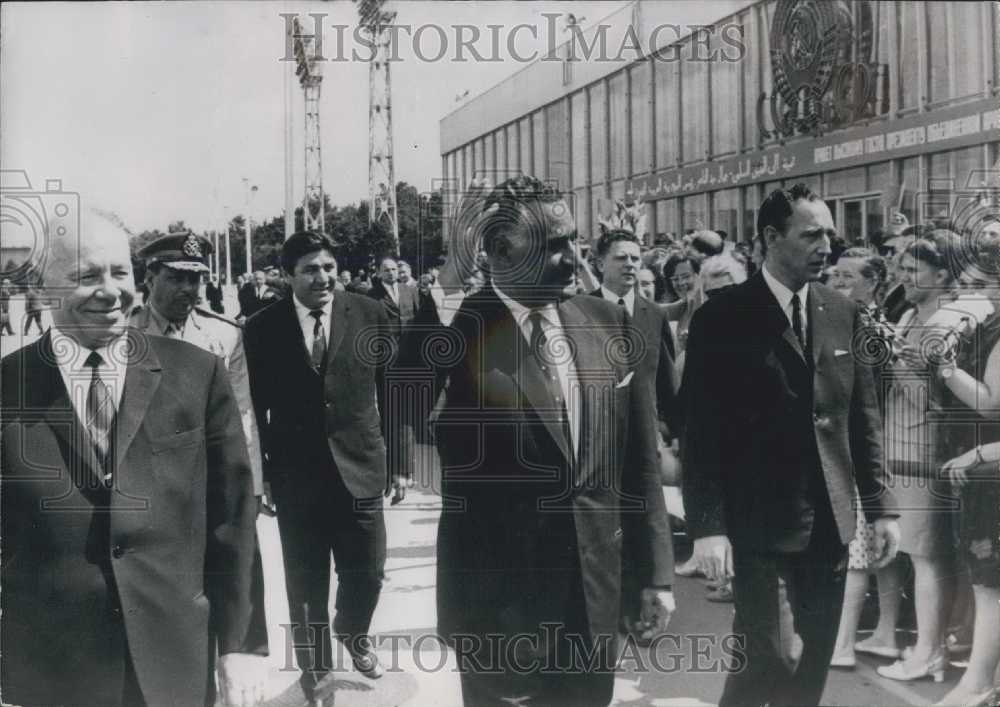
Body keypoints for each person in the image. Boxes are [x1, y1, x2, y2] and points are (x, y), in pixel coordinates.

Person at [395, 176, 675, 707]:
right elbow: (399, 407)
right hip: (497, 608)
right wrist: (451, 280)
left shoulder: (607, 322)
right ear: (501, 251)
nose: (574, 258)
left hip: (592, 603)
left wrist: (656, 574)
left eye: (573, 240)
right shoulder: (461, 325)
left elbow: (639, 461)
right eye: (554, 247)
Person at [0, 208, 266, 707]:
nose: (110, 291)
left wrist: (241, 644)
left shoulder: (197, 374)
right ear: (41, 287)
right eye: (85, 275)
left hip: (174, 660)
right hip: (54, 668)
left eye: (119, 272)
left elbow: (233, 518)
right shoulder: (6, 388)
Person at [682, 184, 899, 707]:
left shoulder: (841, 310)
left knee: (811, 667)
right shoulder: (723, 317)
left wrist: (882, 507)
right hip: (758, 526)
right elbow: (701, 433)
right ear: (771, 238)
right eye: (811, 234)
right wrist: (708, 528)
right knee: (774, 654)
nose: (826, 244)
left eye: (828, 232)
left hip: (830, 522)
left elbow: (861, 419)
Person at [244, 231, 398, 704]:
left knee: (368, 571)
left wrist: (402, 462)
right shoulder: (261, 327)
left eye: (329, 267)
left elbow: (396, 392)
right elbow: (258, 407)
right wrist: (264, 472)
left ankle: (353, 629)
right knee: (305, 580)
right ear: (288, 275)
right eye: (311, 269)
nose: (323, 277)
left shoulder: (371, 314)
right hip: (297, 477)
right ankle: (317, 674)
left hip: (362, 466)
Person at [876, 232, 966, 685]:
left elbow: (934, 401)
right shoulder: (913, 314)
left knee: (927, 556)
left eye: (912, 271)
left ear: (942, 274)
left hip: (922, 450)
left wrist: (895, 360)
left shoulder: (946, 322)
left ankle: (929, 652)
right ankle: (924, 644)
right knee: (915, 554)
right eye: (901, 268)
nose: (902, 277)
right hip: (897, 446)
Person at [130, 232, 264, 499]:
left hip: (208, 477)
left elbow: (241, 413)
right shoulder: (125, 334)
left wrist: (252, 483)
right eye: (175, 278)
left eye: (194, 279)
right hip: (144, 479)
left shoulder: (224, 335)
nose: (187, 288)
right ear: (149, 279)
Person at [368, 256, 420, 340]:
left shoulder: (410, 290)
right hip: (386, 342)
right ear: (379, 273)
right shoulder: (372, 294)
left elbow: (418, 316)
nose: (391, 273)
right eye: (387, 270)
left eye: (393, 269)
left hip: (409, 340)